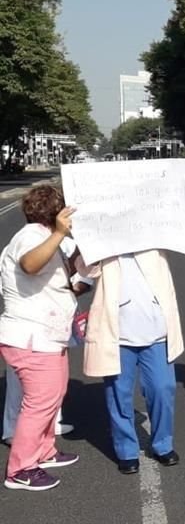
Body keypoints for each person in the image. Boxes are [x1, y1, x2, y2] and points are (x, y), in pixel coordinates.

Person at [83, 172, 185, 475]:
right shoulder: (102, 244)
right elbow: (83, 267)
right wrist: (82, 232)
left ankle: (162, 445)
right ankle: (126, 451)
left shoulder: (154, 237)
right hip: (118, 336)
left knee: (162, 389)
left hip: (155, 333)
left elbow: (181, 218)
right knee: (118, 394)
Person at [0, 186, 81, 491]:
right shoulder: (31, 237)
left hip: (48, 335)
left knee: (51, 397)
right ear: (57, 213)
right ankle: (20, 469)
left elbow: (63, 276)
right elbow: (29, 265)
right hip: (31, 335)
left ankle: (43, 451)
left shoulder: (44, 238)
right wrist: (60, 234)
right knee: (38, 403)